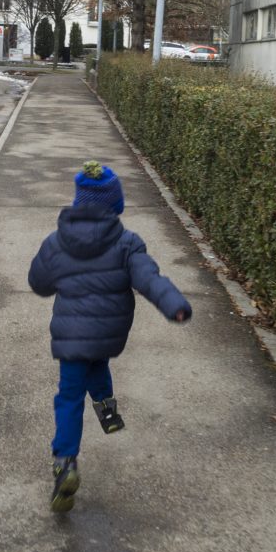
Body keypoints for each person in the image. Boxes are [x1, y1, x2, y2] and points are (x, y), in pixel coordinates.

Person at [27, 161, 191, 512]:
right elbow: (150, 279)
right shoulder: (127, 243)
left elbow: (38, 283)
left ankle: (65, 464)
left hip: (70, 336)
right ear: (114, 205)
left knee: (68, 397)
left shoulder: (56, 242)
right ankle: (106, 406)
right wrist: (173, 304)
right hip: (108, 332)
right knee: (97, 359)